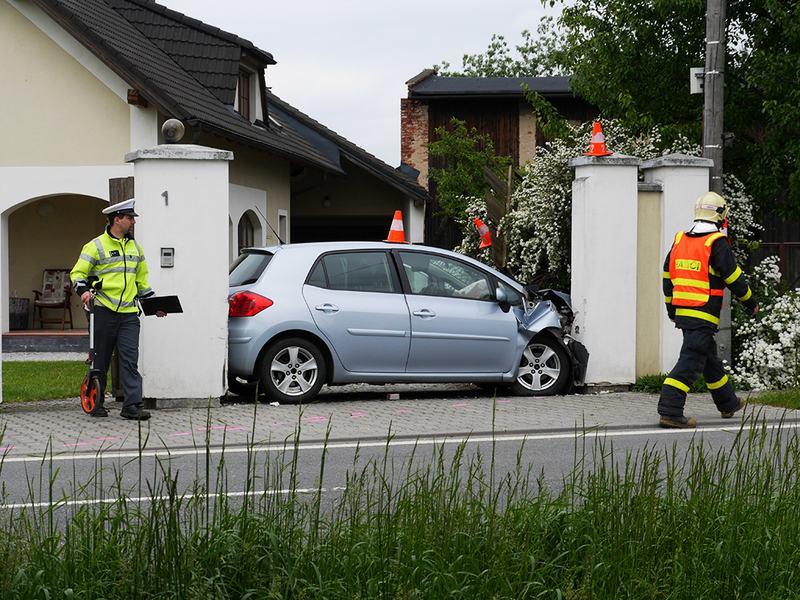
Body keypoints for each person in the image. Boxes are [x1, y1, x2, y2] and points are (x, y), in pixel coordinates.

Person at [658, 192, 758, 429]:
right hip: (703, 314)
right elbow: (734, 278)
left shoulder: (680, 240)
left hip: (684, 312)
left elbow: (667, 277)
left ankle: (728, 403)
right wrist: (751, 302)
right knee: (690, 361)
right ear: (721, 215)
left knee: (708, 359)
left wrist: (672, 309)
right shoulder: (716, 243)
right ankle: (670, 410)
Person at [70, 198, 164, 420]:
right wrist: (83, 291)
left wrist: (154, 305)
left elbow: (141, 282)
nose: (133, 222)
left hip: (129, 315)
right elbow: (77, 273)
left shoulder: (135, 248)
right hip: (103, 311)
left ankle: (132, 406)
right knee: (100, 359)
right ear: (117, 219)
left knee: (130, 360)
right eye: (130, 218)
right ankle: (97, 403)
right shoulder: (96, 245)